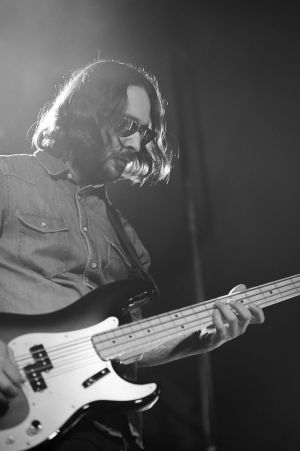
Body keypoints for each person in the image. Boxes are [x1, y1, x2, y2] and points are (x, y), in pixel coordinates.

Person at [0, 59, 264, 450]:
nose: (137, 145)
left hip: (109, 431)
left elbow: (125, 342)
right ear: (88, 112)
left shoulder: (126, 238)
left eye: (144, 132)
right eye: (127, 126)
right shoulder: (9, 181)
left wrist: (204, 337)